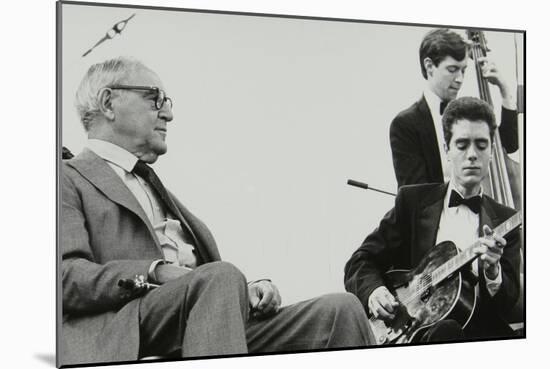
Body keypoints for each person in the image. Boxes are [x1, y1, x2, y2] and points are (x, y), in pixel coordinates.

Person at [60, 57, 372, 366]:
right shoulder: (66, 176)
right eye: (154, 98)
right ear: (108, 102)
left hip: (205, 316)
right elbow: (64, 276)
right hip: (125, 330)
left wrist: (243, 291)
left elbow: (210, 281)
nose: (168, 113)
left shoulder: (155, 188)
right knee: (220, 278)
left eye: (167, 102)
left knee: (340, 311)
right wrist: (155, 271)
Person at [345, 97, 521, 342]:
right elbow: (360, 262)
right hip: (411, 333)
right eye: (462, 145)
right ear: (447, 150)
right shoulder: (413, 202)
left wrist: (493, 271)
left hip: (479, 337)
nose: (472, 155)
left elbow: (508, 304)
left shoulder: (507, 220)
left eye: (481, 145)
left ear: (491, 152)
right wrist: (375, 291)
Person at [390, 28, 519, 188]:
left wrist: (505, 90)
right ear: (429, 66)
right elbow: (415, 195)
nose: (459, 79)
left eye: (463, 70)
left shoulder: (470, 112)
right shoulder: (405, 124)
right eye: (452, 70)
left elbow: (507, 147)